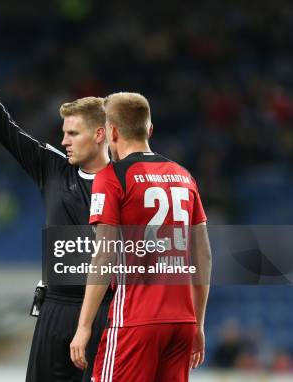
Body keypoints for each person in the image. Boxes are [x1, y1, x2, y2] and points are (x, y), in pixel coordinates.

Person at [0, 31, 112, 381]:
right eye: (63, 132)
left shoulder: (126, 181)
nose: (63, 141)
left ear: (100, 134)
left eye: (73, 133)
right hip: (55, 308)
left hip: (107, 311)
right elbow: (5, 129)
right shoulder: (53, 168)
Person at [70, 93, 212, 381]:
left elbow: (104, 255)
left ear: (111, 131)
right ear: (149, 129)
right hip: (182, 322)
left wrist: (84, 326)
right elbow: (204, 256)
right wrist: (197, 323)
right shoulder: (184, 176)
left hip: (135, 321)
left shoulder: (112, 177)